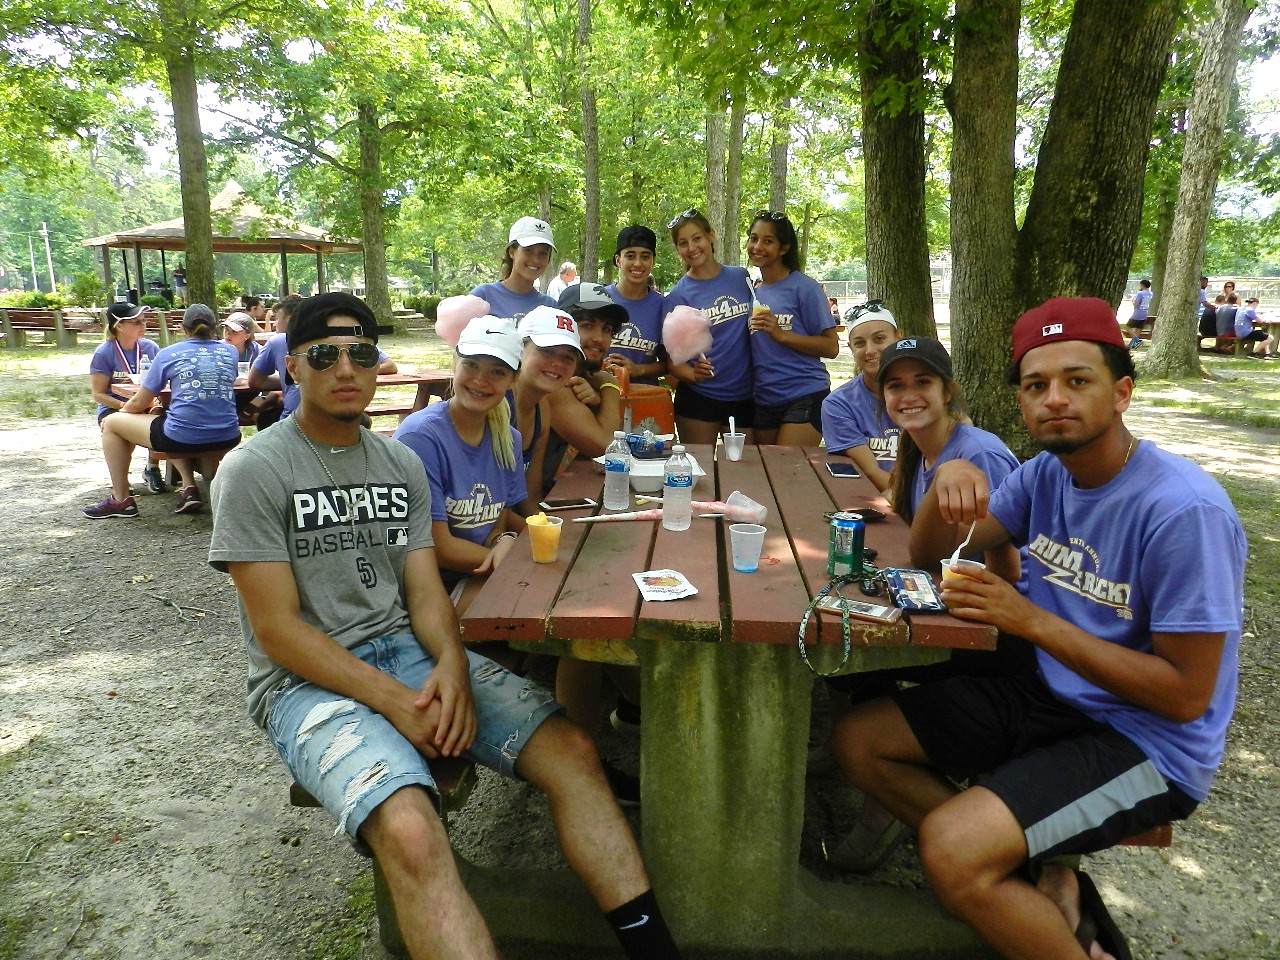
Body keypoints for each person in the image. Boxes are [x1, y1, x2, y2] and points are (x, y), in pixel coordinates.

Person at [208, 293, 681, 960]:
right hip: (302, 684)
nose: (345, 368)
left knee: (572, 751)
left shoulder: (396, 462)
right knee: (410, 827)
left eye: (361, 353)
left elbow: (426, 589)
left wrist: (452, 666)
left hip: (408, 652)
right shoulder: (253, 469)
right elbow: (278, 632)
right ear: (292, 366)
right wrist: (398, 701)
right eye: (324, 355)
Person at [833, 297, 1244, 960]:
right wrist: (947, 480)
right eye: (1035, 386)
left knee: (951, 849)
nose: (1054, 399)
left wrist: (1029, 620)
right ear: (1021, 402)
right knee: (860, 741)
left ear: (1122, 393)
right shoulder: (1045, 475)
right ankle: (1036, 875)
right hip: (1054, 693)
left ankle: (1028, 893)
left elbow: (1185, 697)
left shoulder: (1183, 511)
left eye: (1077, 380)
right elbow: (928, 553)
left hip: (1148, 743)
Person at [825, 335, 1023, 873]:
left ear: (947, 390)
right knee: (841, 651)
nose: (908, 394)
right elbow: (923, 546)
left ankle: (894, 804)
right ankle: (877, 779)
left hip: (1000, 633)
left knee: (852, 657)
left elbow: (1008, 566)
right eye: (896, 385)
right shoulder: (918, 448)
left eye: (922, 382)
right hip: (953, 604)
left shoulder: (977, 453)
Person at [393, 316, 526, 605]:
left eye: (497, 372)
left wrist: (503, 541)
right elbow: (438, 548)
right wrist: (515, 562)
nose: (481, 380)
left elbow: (496, 524)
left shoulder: (508, 439)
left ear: (513, 380)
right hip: (426, 588)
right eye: (471, 365)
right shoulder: (421, 437)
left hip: (478, 573)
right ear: (455, 362)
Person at [84, 304, 241, 519]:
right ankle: (178, 478)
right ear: (216, 328)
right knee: (171, 419)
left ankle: (121, 500)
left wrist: (124, 414)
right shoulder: (230, 351)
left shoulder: (169, 353)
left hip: (182, 437)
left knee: (111, 423)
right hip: (228, 434)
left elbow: (139, 403)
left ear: (183, 329)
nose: (143, 325)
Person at [745, 210, 839, 445]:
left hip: (804, 394)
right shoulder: (752, 293)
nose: (757, 246)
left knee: (786, 464)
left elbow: (831, 347)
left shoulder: (805, 288)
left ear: (784, 248)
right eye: (753, 238)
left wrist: (781, 335)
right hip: (764, 399)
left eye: (768, 241)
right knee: (765, 465)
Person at [664, 208, 754, 444]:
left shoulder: (740, 277)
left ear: (711, 235)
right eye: (683, 243)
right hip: (699, 398)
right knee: (699, 463)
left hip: (745, 395)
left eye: (697, 238)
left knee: (744, 464)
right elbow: (672, 362)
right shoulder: (678, 296)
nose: (691, 247)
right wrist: (693, 374)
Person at [540, 286, 626, 492]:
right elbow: (608, 450)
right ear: (563, 327)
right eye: (587, 325)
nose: (599, 338)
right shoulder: (552, 380)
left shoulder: (582, 379)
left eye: (607, 329)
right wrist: (610, 386)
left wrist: (597, 403)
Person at [820, 301, 901, 491]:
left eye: (879, 339)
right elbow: (872, 472)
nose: (870, 350)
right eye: (860, 343)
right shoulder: (839, 404)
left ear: (898, 338)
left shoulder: (926, 393)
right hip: (876, 495)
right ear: (851, 348)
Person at [90, 302, 168, 495]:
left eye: (144, 321)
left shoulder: (150, 348)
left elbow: (163, 383)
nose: (143, 325)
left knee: (163, 419)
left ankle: (152, 468)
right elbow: (98, 394)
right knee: (121, 430)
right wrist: (124, 405)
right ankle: (122, 483)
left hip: (147, 404)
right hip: (116, 407)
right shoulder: (104, 353)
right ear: (119, 326)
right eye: (136, 322)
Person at [605, 226, 667, 385]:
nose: (638, 263)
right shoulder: (599, 299)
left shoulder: (664, 307)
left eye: (645, 256)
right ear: (618, 260)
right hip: (598, 393)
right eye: (630, 256)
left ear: (653, 261)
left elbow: (670, 364)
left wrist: (639, 369)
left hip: (643, 395)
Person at [470, 217, 558, 321]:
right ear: (512, 252)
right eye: (528, 251)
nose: (536, 260)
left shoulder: (551, 307)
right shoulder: (484, 296)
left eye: (543, 253)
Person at [1125, 279, 1152, 350]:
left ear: (1142, 285)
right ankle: (1134, 345)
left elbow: (1136, 304)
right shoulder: (1150, 294)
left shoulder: (1140, 293)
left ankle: (1137, 340)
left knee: (1128, 327)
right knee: (1138, 329)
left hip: (1137, 313)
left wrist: (1133, 301)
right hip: (1145, 313)